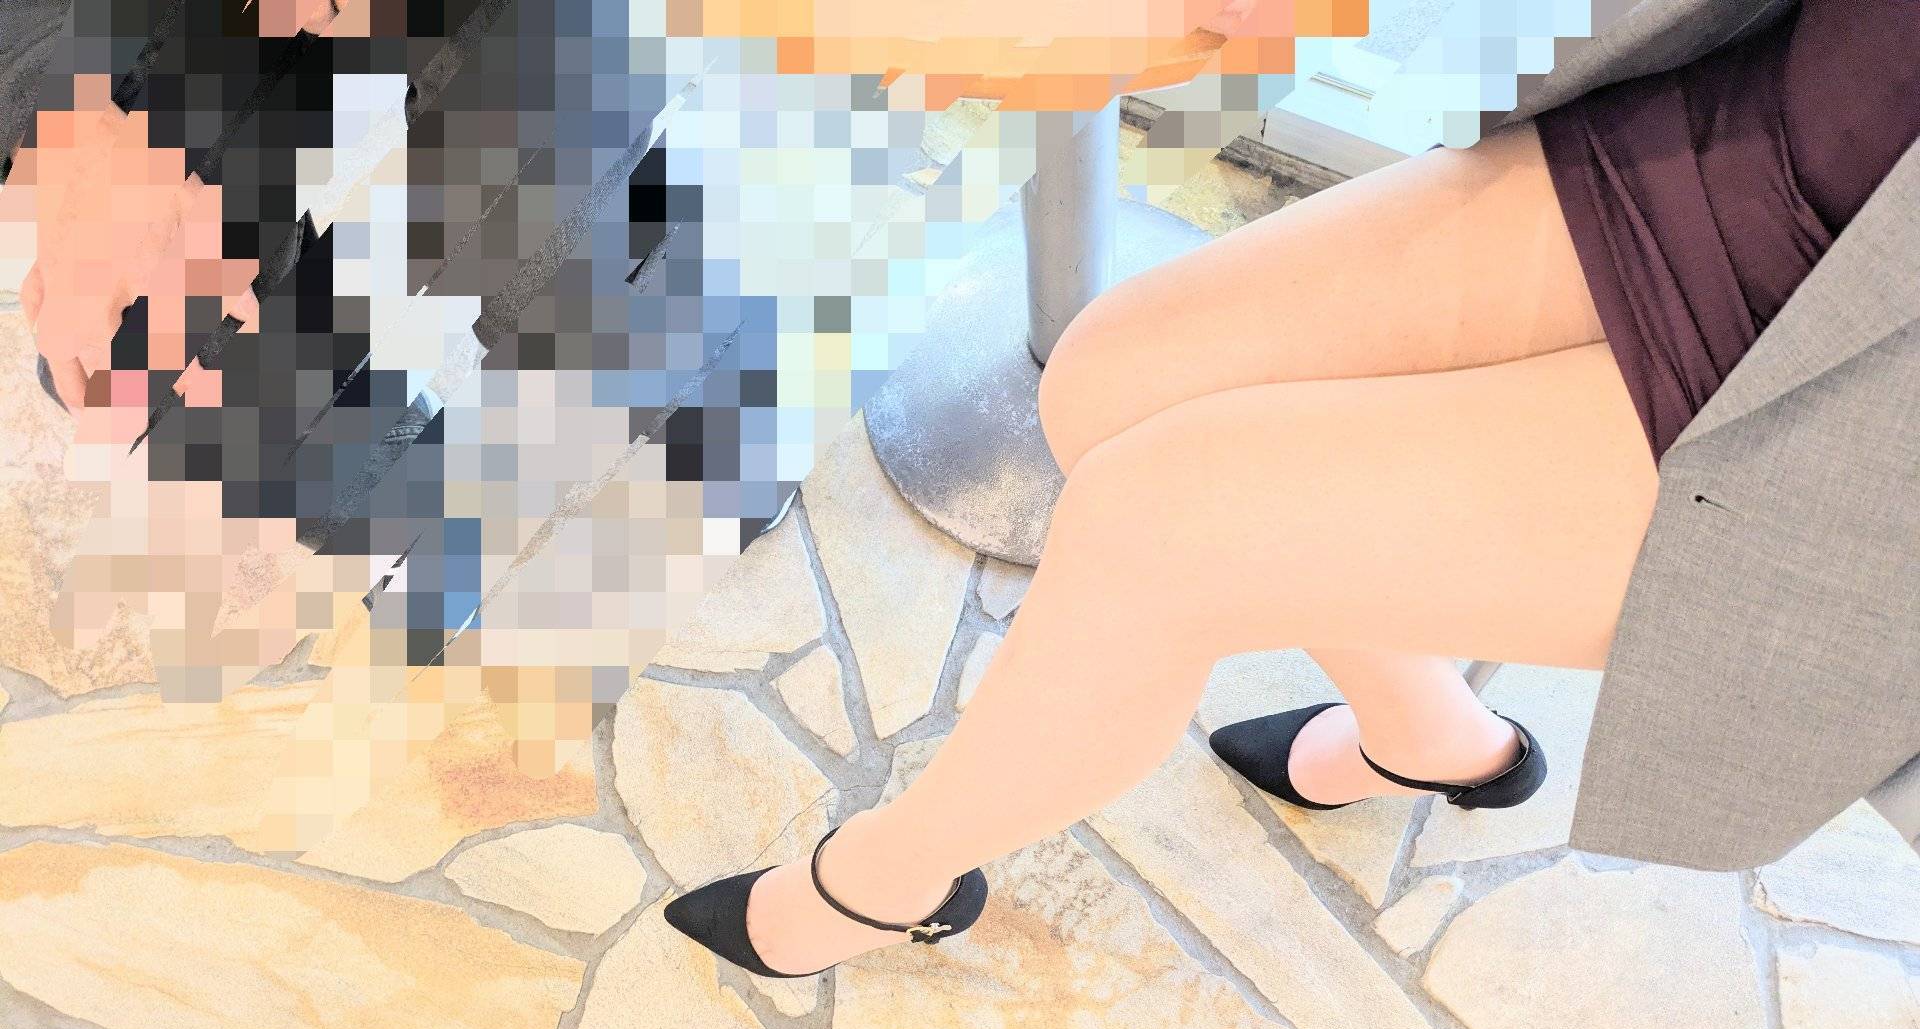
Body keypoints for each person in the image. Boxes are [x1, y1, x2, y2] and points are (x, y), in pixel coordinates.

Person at [665, 0, 1920, 977]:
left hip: (1859, 413)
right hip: (1749, 144)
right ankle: (1431, 735)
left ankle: (886, 880)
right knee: (1107, 382)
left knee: (1157, 531)